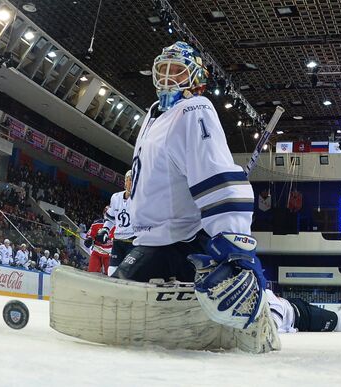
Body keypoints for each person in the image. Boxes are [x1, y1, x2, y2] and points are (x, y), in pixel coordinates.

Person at [118, 41, 266, 330]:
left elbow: (214, 172)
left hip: (178, 240)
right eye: (164, 69)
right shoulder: (153, 115)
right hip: (152, 237)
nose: (168, 77)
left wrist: (234, 241)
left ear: (196, 78)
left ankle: (322, 316)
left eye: (177, 70)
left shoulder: (194, 109)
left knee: (267, 310)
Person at [96, 171, 134, 276]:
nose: (131, 182)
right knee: (112, 271)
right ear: (125, 182)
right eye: (129, 179)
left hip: (133, 242)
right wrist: (105, 230)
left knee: (129, 273)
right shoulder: (115, 197)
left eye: (134, 179)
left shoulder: (141, 199)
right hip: (118, 242)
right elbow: (111, 218)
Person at [85, 206, 113, 274]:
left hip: (109, 255)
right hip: (97, 252)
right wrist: (89, 239)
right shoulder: (97, 223)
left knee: (110, 275)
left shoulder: (118, 226)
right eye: (105, 213)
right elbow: (90, 236)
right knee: (92, 272)